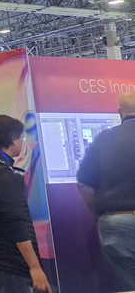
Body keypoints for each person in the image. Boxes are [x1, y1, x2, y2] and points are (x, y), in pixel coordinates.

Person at [0, 115, 51, 293]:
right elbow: (15, 223)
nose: (23, 142)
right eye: (22, 138)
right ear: (13, 139)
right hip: (10, 260)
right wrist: (35, 267)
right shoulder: (3, 175)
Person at [77, 91, 135, 291]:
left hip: (117, 222)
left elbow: (83, 184)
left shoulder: (104, 138)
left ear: (120, 113)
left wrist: (98, 215)